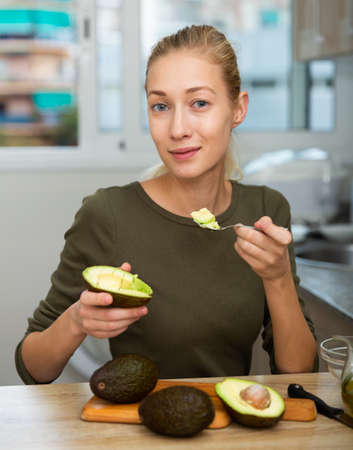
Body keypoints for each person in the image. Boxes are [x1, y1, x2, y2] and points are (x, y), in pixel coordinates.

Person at [15, 25, 317, 384]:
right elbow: (33, 368)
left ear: (238, 109)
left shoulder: (267, 209)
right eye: (161, 106)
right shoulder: (107, 213)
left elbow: (300, 371)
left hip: (228, 430)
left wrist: (278, 278)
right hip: (135, 429)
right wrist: (77, 320)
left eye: (199, 103)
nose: (177, 129)